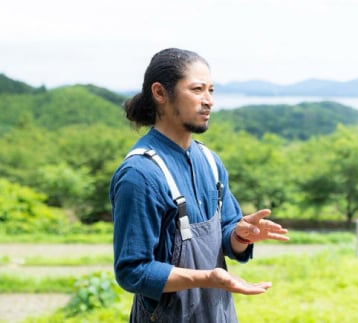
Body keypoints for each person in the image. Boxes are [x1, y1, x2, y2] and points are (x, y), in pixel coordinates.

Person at [109, 48, 289, 323]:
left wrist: (240, 236)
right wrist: (207, 277)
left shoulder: (209, 160)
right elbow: (133, 270)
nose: (208, 101)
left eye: (211, 91)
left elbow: (227, 231)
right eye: (197, 89)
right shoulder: (140, 173)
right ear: (160, 93)